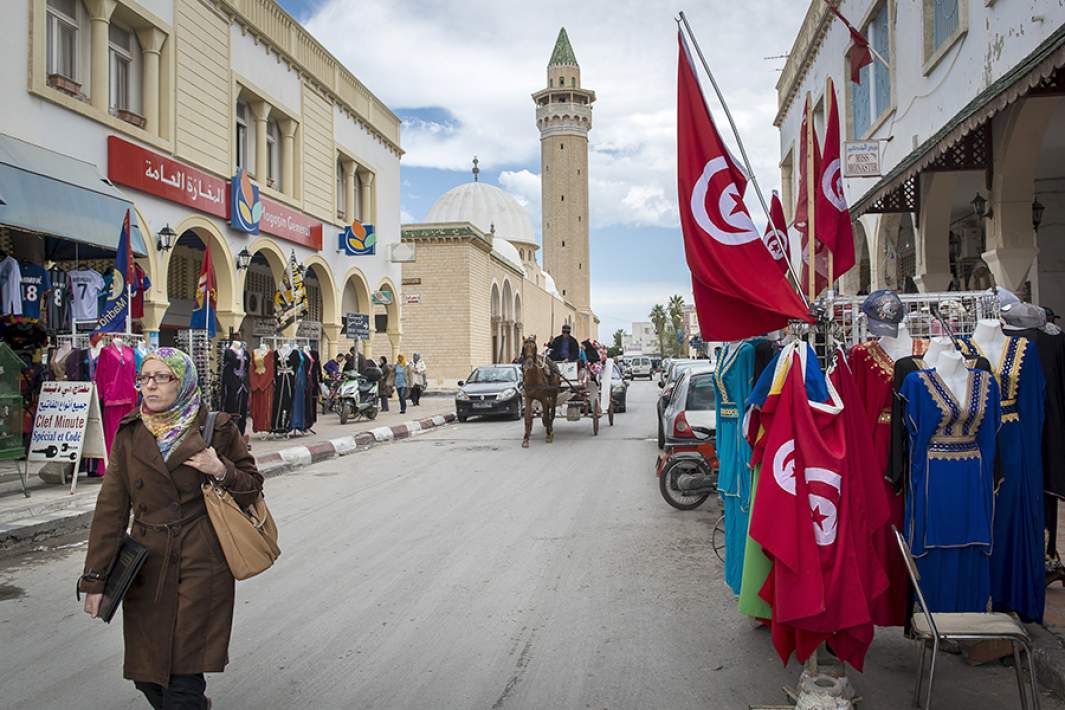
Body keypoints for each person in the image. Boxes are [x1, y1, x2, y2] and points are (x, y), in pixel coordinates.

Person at [79, 348, 262, 710]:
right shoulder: (130, 432)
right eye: (144, 378)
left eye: (162, 377)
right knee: (147, 676)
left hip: (201, 562)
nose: (150, 386)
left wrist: (220, 468)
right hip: (146, 566)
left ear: (184, 382)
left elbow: (252, 486)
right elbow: (111, 510)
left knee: (182, 677)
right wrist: (95, 580)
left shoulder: (217, 428)